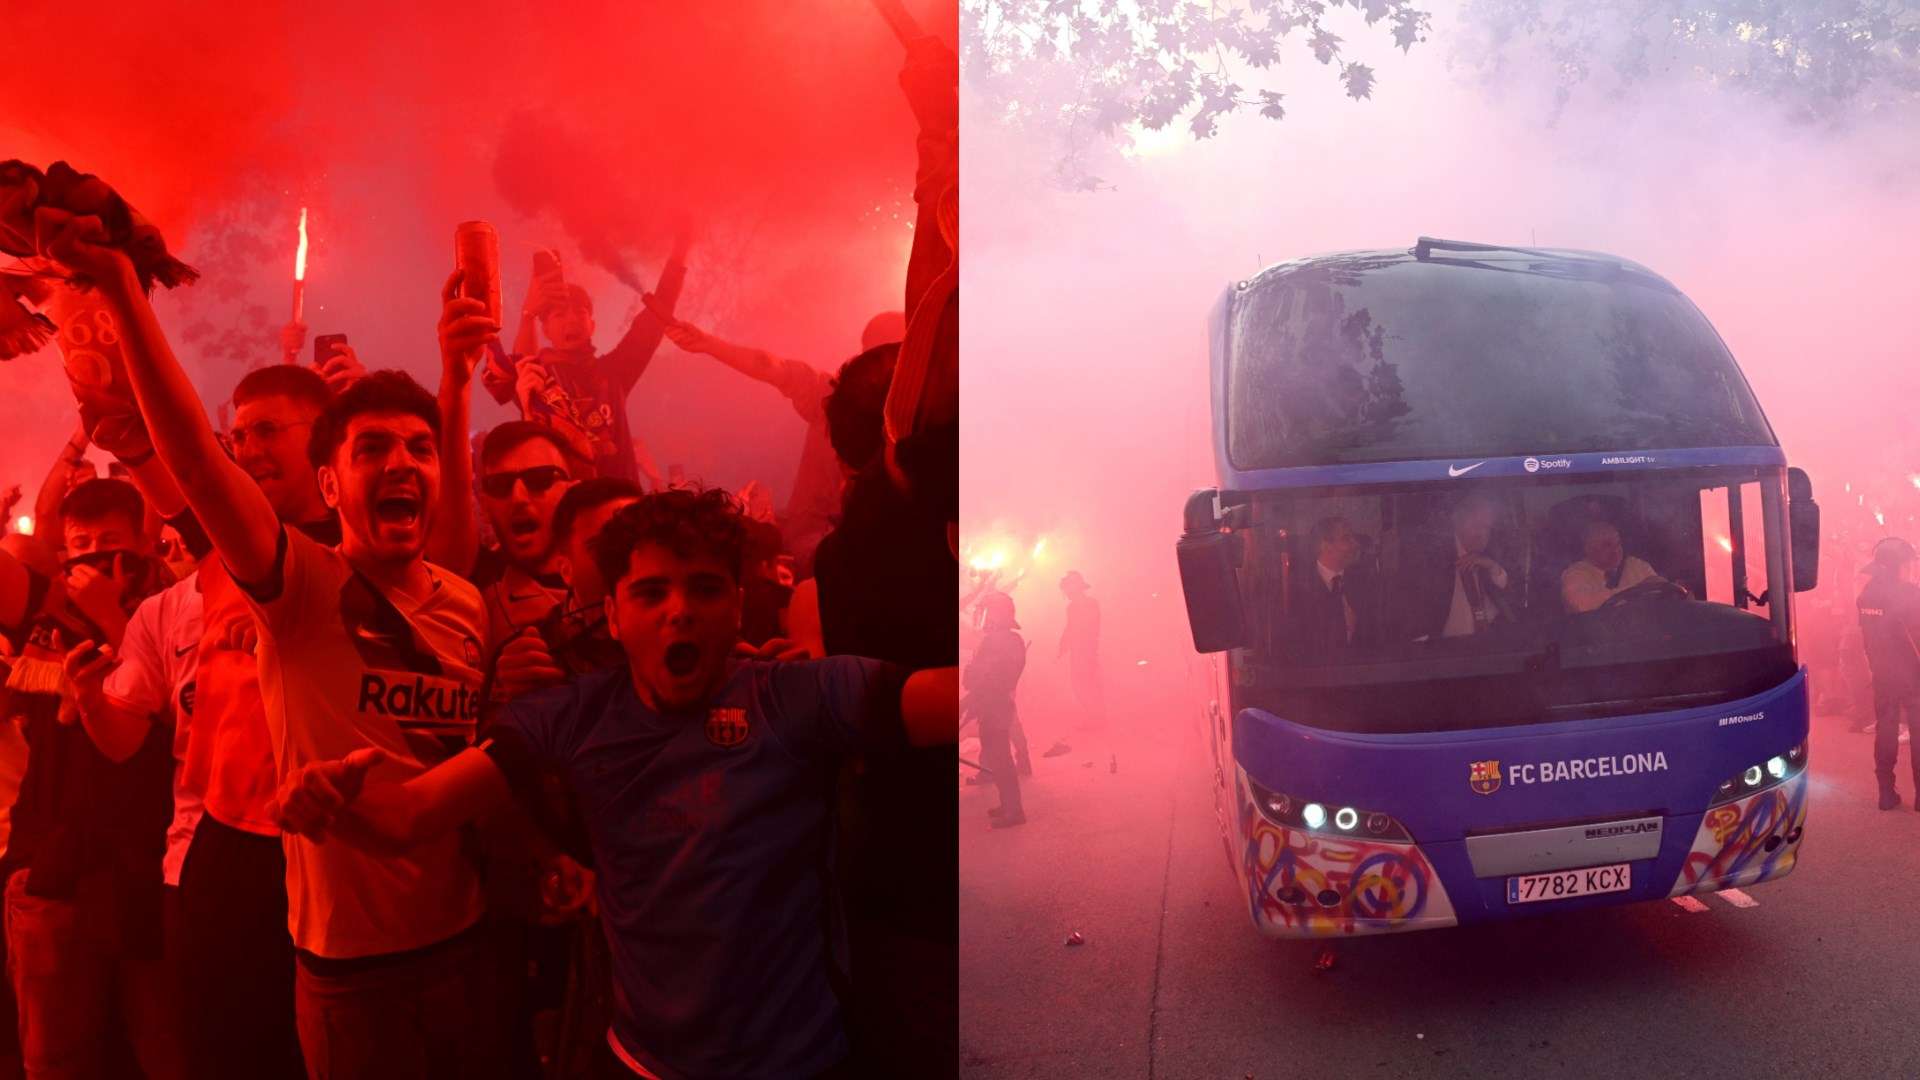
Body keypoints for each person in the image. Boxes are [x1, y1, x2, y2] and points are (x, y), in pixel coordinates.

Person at [31, 206, 509, 1077]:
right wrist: (123, 293)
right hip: (303, 922)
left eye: (418, 451)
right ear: (335, 474)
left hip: (458, 938)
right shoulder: (292, 584)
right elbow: (193, 465)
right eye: (372, 450)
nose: (245, 449)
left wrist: (456, 383)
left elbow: (447, 560)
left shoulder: (460, 601)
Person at [271, 488, 958, 1078]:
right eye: (651, 592)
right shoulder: (572, 717)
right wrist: (333, 806)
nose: (679, 611)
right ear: (613, 614)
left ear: (740, 603)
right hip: (640, 1065)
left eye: (705, 588)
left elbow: (958, 700)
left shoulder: (799, 698)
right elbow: (414, 815)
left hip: (802, 1064)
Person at [1, 478, 183, 1080]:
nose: (95, 557)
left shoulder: (173, 614)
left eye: (110, 542)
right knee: (56, 1058)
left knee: (166, 1049)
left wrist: (111, 618)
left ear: (144, 544)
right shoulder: (48, 621)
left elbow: (155, 737)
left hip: (150, 881)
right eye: (81, 544)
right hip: (54, 876)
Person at [661, 311, 904, 572]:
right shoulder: (827, 391)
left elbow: (770, 366)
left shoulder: (906, 415)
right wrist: (709, 344)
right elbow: (770, 366)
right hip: (814, 546)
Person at [481, 243, 687, 485]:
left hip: (620, 506)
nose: (572, 320)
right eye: (559, 314)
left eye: (580, 313)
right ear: (545, 330)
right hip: (567, 507)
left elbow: (654, 318)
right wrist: (528, 315)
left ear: (592, 325)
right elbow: (523, 368)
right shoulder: (539, 380)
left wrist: (680, 248)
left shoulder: (614, 372)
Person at [1856, 537, 1920, 810]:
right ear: (1898, 565)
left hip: (1881, 673)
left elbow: (1868, 639)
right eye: (1907, 563)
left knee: (1886, 729)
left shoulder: (1865, 596)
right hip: (1912, 675)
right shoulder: (1911, 594)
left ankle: (1885, 793)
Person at [1408, 493, 1518, 639]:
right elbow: (1415, 615)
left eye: (1487, 528)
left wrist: (1493, 568)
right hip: (1447, 650)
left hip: (1492, 645)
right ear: (1457, 519)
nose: (1481, 534)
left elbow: (1516, 603)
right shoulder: (1433, 556)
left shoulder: (1492, 555)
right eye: (1476, 525)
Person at [968, 591, 1028, 827]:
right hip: (990, 703)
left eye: (987, 612)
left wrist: (973, 698)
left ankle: (1014, 811)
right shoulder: (1005, 640)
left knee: (1000, 758)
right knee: (996, 756)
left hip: (995, 704)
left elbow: (993, 677)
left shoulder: (1002, 641)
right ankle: (1008, 805)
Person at [1288, 516, 1369, 662]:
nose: (1355, 544)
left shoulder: (1365, 583)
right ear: (1325, 545)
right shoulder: (1299, 589)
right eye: (1346, 538)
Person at [1561, 519, 1674, 614]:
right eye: (1607, 545)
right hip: (1599, 639)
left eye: (1618, 543)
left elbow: (1660, 593)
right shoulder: (1575, 575)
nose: (1616, 550)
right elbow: (1582, 606)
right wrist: (1638, 589)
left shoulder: (1637, 566)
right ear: (1589, 549)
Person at [1058, 570, 1104, 729]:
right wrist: (1063, 644)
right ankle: (1094, 717)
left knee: (1086, 684)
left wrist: (1079, 644)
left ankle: (1096, 718)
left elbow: (1090, 628)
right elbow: (1070, 628)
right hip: (1078, 651)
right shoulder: (1072, 607)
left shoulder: (1090, 604)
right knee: (1080, 684)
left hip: (1086, 650)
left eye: (1068, 588)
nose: (1067, 593)